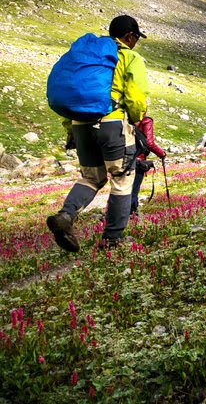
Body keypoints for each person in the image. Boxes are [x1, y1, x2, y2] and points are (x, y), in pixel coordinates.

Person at [47, 15, 150, 251]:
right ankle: (113, 239)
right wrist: (137, 121)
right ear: (130, 36)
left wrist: (70, 129)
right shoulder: (129, 57)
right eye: (136, 38)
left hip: (80, 125)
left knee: (91, 177)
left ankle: (66, 215)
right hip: (112, 124)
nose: (135, 42)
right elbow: (135, 98)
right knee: (122, 178)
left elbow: (73, 96)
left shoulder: (88, 58)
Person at [130, 115, 166, 216]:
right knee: (134, 189)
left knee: (122, 187)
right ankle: (131, 213)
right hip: (138, 160)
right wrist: (161, 153)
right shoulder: (146, 121)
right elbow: (149, 143)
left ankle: (116, 214)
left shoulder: (123, 117)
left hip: (122, 158)